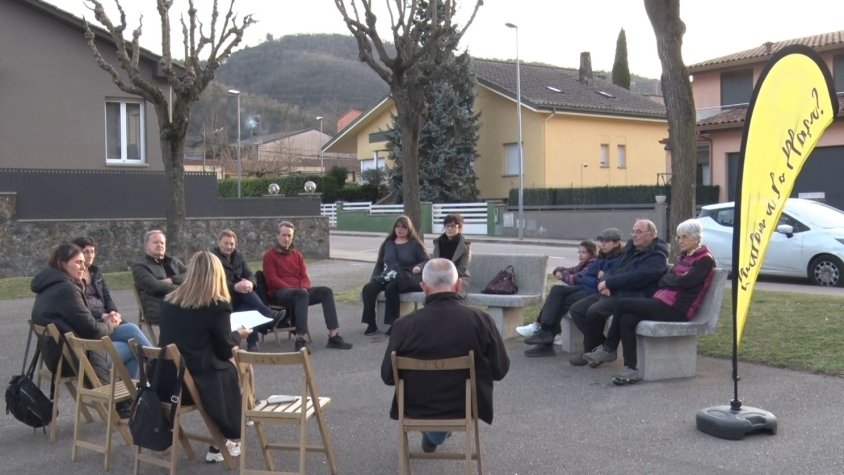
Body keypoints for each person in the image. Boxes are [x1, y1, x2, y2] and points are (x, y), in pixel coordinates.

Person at [381, 258, 510, 454]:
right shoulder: (481, 321)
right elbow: (500, 370)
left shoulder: (403, 326)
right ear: (458, 285)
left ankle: (434, 435)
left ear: (424, 288)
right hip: (466, 405)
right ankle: (436, 435)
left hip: (417, 406)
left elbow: (388, 376)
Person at [584, 219, 716, 385]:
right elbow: (664, 280)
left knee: (622, 304)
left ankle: (609, 348)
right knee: (626, 319)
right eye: (678, 237)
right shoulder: (683, 256)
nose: (680, 241)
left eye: (684, 237)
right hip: (663, 301)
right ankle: (630, 369)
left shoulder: (705, 260)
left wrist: (674, 280)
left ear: (696, 238)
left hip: (678, 308)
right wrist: (675, 280)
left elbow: (685, 282)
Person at [158, 251, 249, 463]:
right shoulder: (217, 305)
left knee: (232, 367)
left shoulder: (169, 302)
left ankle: (234, 424)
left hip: (166, 383)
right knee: (239, 365)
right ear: (217, 275)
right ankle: (226, 435)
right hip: (193, 385)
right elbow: (225, 350)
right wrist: (239, 335)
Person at [31, 243, 151, 379]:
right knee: (133, 348)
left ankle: (156, 365)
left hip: (62, 353)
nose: (83, 267)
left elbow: (80, 321)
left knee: (129, 329)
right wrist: (110, 325)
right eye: (78, 262)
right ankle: (154, 371)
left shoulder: (49, 285)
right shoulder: (67, 290)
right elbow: (91, 331)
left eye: (83, 262)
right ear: (62, 263)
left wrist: (104, 320)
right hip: (75, 358)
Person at [568, 219, 669, 368]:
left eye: (639, 232)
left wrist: (610, 283)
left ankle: (592, 351)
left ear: (651, 234)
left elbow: (637, 278)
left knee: (594, 311)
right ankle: (600, 347)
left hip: (634, 296)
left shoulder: (657, 256)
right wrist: (606, 281)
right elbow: (617, 269)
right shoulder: (632, 248)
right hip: (617, 290)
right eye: (633, 232)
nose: (634, 235)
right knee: (577, 309)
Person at [262, 220, 352, 352]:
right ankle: (300, 339)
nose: (286, 239)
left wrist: (303, 287)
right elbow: (272, 280)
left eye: (289, 235)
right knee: (301, 294)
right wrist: (293, 289)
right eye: (284, 235)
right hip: (280, 293)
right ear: (277, 235)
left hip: (300, 292)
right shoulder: (269, 256)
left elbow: (304, 277)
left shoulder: (297, 255)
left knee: (326, 292)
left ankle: (333, 336)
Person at [520, 239, 605, 358]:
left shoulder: (593, 263)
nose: (580, 255)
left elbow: (575, 278)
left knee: (558, 295)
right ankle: (545, 335)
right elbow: (570, 270)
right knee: (557, 296)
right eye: (579, 252)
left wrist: (562, 274)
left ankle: (545, 335)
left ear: (591, 253)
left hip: (589, 293)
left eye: (584, 252)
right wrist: (558, 270)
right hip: (582, 290)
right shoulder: (583, 264)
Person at [210, 229, 286, 351]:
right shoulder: (212, 259)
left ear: (235, 244)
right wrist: (234, 287)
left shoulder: (238, 257)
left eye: (232, 244)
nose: (229, 246)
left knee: (249, 300)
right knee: (248, 297)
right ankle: (268, 318)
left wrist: (250, 283)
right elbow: (213, 282)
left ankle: (253, 344)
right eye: (226, 243)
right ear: (219, 242)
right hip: (223, 298)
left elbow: (250, 274)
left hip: (241, 297)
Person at [361, 215, 429, 336]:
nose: (400, 229)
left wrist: (419, 267)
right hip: (387, 276)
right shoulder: (388, 244)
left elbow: (426, 260)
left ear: (409, 229)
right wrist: (374, 279)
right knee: (368, 289)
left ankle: (394, 324)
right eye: (397, 227)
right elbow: (380, 264)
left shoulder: (415, 244)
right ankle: (371, 323)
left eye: (403, 227)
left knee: (390, 288)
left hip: (406, 277)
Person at [131, 230, 187, 325]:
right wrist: (183, 290)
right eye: (155, 242)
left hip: (181, 304)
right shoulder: (140, 266)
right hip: (159, 308)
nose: (159, 245)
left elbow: (191, 275)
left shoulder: (173, 261)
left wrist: (172, 280)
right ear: (146, 246)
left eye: (162, 243)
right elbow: (154, 286)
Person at [72, 236, 119, 321]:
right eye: (86, 252)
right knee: (130, 328)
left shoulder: (96, 272)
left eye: (92, 252)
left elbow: (107, 297)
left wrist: (113, 311)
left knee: (131, 326)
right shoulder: (73, 276)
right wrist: (102, 315)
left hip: (107, 315)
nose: (90, 255)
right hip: (91, 320)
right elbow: (80, 306)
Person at [432, 214, 471, 298]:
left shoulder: (465, 246)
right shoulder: (438, 243)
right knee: (433, 294)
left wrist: (447, 278)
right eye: (447, 226)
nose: (449, 229)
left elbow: (462, 269)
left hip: (458, 278)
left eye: (453, 226)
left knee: (451, 295)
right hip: (439, 277)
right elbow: (434, 263)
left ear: (459, 227)